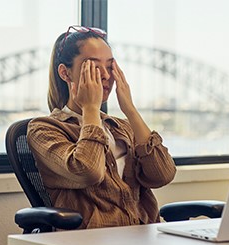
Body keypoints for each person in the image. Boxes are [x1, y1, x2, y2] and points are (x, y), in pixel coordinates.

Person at [27, 25, 177, 229]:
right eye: (94, 68)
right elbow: (88, 171)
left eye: (110, 67)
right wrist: (90, 108)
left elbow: (163, 175)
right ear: (65, 73)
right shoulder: (44, 129)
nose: (106, 76)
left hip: (142, 239)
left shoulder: (120, 127)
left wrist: (130, 111)